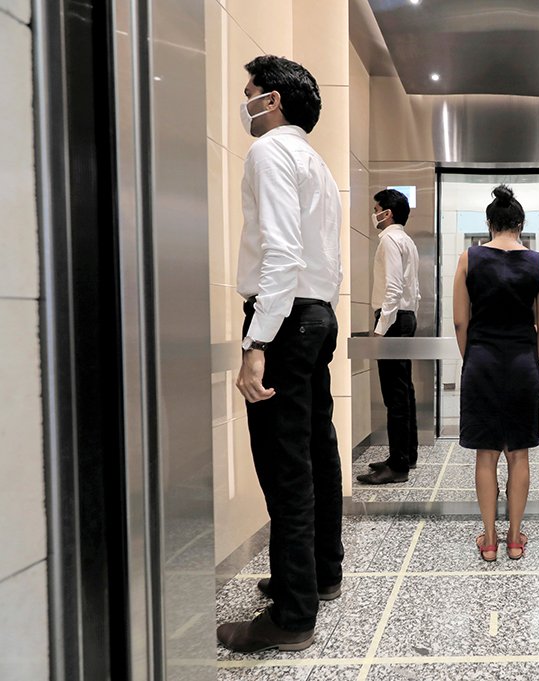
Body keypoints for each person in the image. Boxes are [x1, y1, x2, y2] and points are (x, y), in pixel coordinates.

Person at [217, 55, 345, 653]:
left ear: (273, 100)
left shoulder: (270, 153)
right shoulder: (315, 163)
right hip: (316, 315)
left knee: (283, 461)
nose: (244, 103)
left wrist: (257, 342)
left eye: (249, 93)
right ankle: (320, 573)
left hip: (285, 319)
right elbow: (320, 257)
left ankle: (292, 617)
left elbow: (281, 254)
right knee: (316, 446)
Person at [454, 185, 539, 562]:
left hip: (480, 361)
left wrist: (472, 357)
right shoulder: (538, 262)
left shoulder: (468, 258)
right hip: (522, 363)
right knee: (519, 454)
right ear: (520, 224)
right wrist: (531, 356)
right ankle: (515, 539)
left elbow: (460, 321)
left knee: (486, 454)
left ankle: (490, 540)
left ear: (489, 223)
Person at [357, 189, 421, 485]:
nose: (375, 214)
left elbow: (393, 290)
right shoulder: (406, 241)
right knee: (404, 390)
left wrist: (380, 328)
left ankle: (398, 466)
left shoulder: (390, 241)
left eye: (377, 208)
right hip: (405, 318)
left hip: (393, 319)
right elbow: (414, 291)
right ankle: (407, 454)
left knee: (394, 394)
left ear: (388, 213)